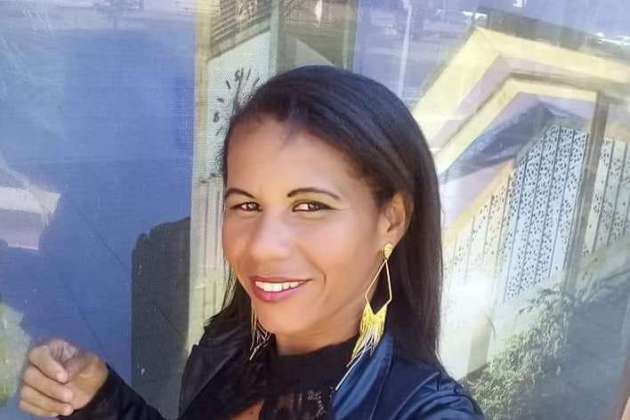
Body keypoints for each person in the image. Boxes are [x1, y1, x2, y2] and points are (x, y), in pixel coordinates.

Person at [17, 65, 484, 419]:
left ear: (391, 220)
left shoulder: (424, 413)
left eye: (310, 206)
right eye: (246, 205)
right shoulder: (231, 345)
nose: (262, 246)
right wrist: (100, 400)